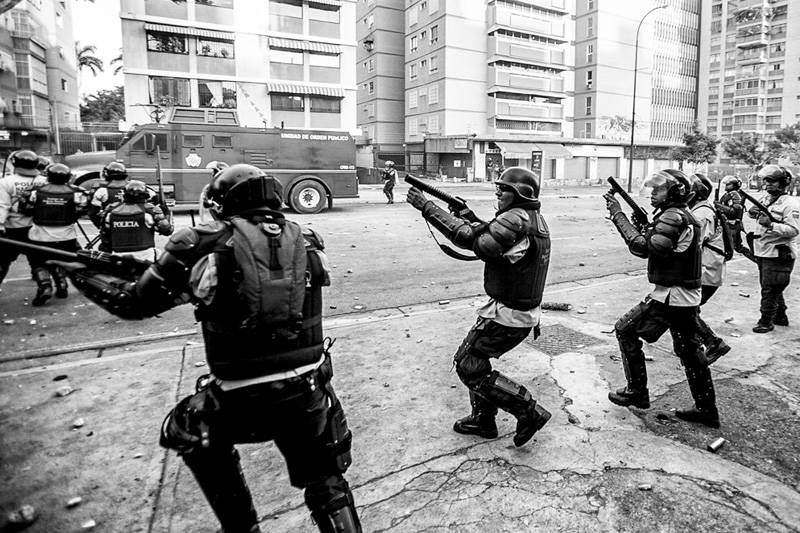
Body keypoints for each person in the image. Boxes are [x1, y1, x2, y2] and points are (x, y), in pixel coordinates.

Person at [52, 164, 361, 533]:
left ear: (219, 203)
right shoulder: (307, 240)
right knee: (325, 478)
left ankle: (242, 527)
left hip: (238, 398)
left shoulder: (198, 244)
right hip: (307, 390)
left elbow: (135, 304)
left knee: (184, 429)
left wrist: (78, 271)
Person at [406, 166, 552, 447]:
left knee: (468, 364)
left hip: (510, 314)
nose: (498, 194)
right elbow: (491, 237)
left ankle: (528, 411)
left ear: (520, 193)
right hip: (512, 310)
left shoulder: (517, 219)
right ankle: (484, 420)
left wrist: (427, 207)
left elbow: (473, 242)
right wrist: (470, 218)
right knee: (475, 361)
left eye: (503, 190)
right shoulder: (527, 218)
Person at [604, 169, 720, 428]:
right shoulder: (679, 215)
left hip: (671, 296)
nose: (653, 193)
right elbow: (658, 243)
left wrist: (618, 215)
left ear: (675, 193)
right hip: (682, 296)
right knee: (690, 353)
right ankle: (706, 409)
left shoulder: (673, 215)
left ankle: (637, 391)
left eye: (659, 189)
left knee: (625, 330)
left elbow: (643, 248)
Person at [24, 163, 89, 305]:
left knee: (37, 262)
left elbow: (24, 208)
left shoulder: (36, 191)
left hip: (40, 236)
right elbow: (84, 209)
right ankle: (62, 283)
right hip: (67, 236)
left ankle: (44, 286)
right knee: (62, 259)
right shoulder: (77, 192)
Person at [746, 165, 799, 333]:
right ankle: (780, 316)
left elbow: (794, 230)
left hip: (779, 252)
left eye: (772, 181)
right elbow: (754, 213)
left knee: (770, 288)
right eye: (766, 180)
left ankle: (766, 321)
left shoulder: (791, 204)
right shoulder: (766, 198)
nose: (767, 184)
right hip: (763, 249)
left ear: (783, 183)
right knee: (774, 286)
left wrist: (771, 225)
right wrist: (751, 212)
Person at [688, 174, 730, 363]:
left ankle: (713, 343)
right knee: (689, 310)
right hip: (707, 269)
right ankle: (695, 344)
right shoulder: (701, 209)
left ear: (696, 194)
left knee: (685, 311)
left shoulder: (702, 214)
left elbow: (691, 243)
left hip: (705, 271)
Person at [0, 150, 45, 286]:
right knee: (38, 259)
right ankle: (45, 285)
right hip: (36, 227)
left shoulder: (6, 182)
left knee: (2, 260)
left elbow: (2, 205)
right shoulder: (44, 181)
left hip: (12, 227)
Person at [99, 180, 173, 261]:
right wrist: (167, 214)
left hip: (118, 256)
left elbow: (104, 235)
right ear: (145, 195)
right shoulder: (150, 210)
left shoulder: (111, 209)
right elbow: (167, 230)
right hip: (145, 257)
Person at [88, 161, 130, 227]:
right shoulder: (136, 186)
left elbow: (93, 212)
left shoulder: (101, 189)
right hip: (136, 227)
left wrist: (101, 226)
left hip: (111, 228)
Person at [714, 175, 745, 253]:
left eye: (729, 184)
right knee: (735, 247)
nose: (726, 186)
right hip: (727, 223)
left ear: (734, 185)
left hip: (732, 224)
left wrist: (719, 206)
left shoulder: (735, 194)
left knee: (731, 246)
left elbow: (734, 211)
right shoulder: (728, 194)